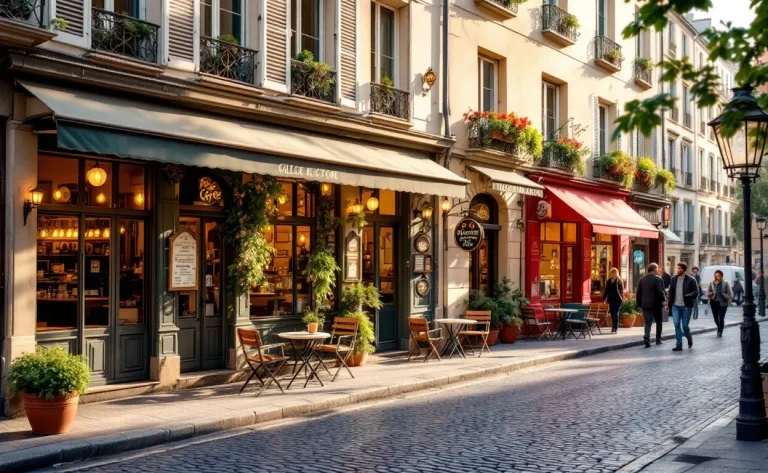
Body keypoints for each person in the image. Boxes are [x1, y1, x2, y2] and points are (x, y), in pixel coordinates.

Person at [666, 262, 698, 351]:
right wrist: (667, 304)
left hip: (686, 307)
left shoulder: (691, 280)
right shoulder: (674, 279)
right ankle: (679, 344)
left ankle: (689, 337)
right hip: (675, 306)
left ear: (684, 269)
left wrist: (689, 295)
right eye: (678, 268)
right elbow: (670, 293)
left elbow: (696, 292)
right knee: (676, 324)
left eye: (680, 268)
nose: (678, 270)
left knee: (684, 326)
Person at [635, 263, 666, 348]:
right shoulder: (658, 279)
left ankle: (647, 337)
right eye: (657, 269)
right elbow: (660, 291)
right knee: (659, 322)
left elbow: (638, 293)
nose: (658, 270)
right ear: (654, 269)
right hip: (656, 304)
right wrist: (664, 299)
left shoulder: (642, 279)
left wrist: (639, 304)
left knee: (648, 322)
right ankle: (658, 339)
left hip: (645, 304)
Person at [707, 269, 732, 337]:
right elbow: (708, 292)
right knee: (715, 318)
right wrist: (710, 293)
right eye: (716, 276)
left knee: (721, 318)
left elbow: (730, 295)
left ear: (721, 276)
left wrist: (724, 294)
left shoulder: (725, 283)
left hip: (723, 303)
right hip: (714, 302)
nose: (717, 277)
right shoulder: (712, 283)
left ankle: (720, 331)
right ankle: (719, 327)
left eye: (718, 276)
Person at [602, 267, 624, 333]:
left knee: (616, 313)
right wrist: (604, 299)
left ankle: (615, 328)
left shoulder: (619, 281)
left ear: (617, 273)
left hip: (618, 300)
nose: (614, 274)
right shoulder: (609, 281)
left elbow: (621, 291)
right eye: (612, 273)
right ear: (610, 273)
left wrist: (622, 298)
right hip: (611, 300)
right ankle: (613, 327)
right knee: (612, 314)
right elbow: (606, 291)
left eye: (615, 273)